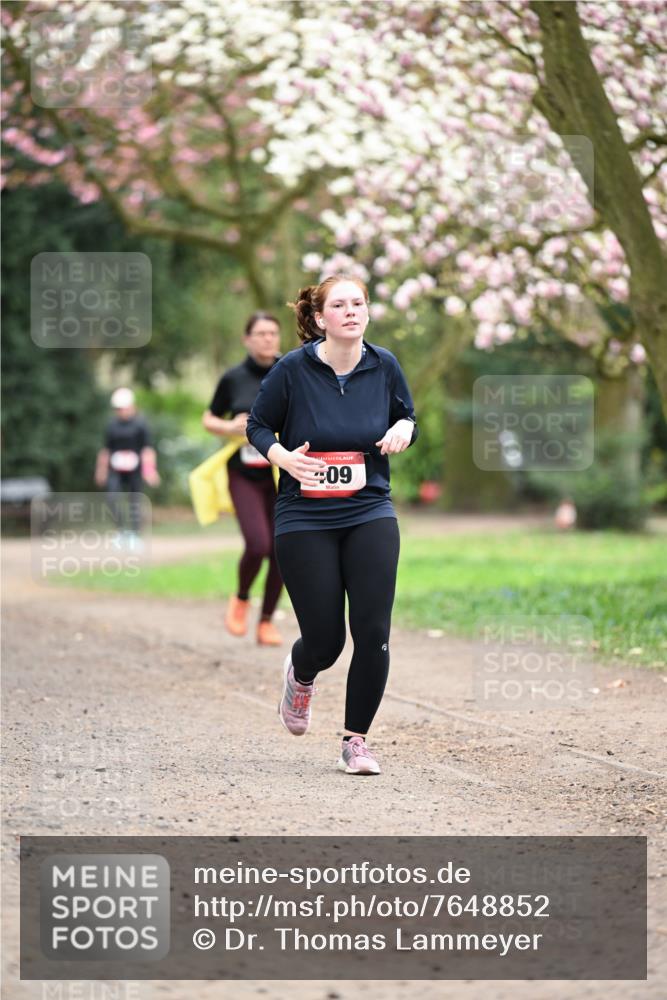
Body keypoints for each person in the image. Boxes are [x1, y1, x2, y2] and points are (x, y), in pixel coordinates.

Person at [247, 275, 418, 775]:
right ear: (320, 318)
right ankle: (301, 674)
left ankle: (356, 741)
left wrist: (404, 428)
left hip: (369, 508)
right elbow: (257, 425)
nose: (351, 311)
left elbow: (407, 415)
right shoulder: (292, 370)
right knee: (326, 640)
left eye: (358, 303)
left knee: (373, 630)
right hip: (304, 515)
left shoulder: (384, 365)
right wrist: (284, 458)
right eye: (339, 305)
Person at [202, 313, 284, 646]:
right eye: (261, 333)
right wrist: (229, 427)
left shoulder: (291, 371)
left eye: (273, 333)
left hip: (284, 474)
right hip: (244, 474)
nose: (268, 339)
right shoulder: (233, 378)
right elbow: (209, 417)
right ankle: (241, 598)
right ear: (247, 339)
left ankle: (266, 622)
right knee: (258, 543)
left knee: (282, 548)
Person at [95, 387, 160, 544]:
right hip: (115, 470)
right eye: (118, 408)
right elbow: (106, 450)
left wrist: (150, 470)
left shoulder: (141, 425)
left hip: (135, 470)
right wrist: (101, 470)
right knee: (112, 498)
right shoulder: (111, 426)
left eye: (123, 407)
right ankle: (121, 531)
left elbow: (147, 449)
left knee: (134, 501)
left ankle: (135, 535)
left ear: (132, 406)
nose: (121, 411)